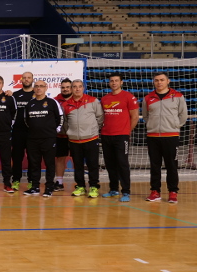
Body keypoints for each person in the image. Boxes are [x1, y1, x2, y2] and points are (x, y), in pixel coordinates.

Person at [143, 72, 187, 203]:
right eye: (156, 80)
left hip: (171, 136)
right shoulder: (148, 98)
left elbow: (183, 115)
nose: (159, 82)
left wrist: (174, 126)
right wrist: (152, 126)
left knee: (171, 165)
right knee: (154, 166)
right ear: (153, 82)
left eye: (162, 80)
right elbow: (145, 116)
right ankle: (155, 191)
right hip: (153, 136)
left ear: (168, 81)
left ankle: (173, 192)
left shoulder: (178, 96)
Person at [100, 73, 139, 202]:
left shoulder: (128, 97)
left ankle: (126, 191)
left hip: (121, 136)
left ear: (121, 82)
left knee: (122, 163)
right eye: (112, 81)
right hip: (106, 135)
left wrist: (126, 132)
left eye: (116, 80)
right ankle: (113, 189)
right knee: (110, 164)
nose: (114, 83)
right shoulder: (104, 99)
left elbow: (135, 117)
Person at [62, 79, 103, 198]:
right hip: (74, 140)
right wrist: (71, 132)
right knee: (78, 165)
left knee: (92, 164)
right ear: (71, 89)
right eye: (74, 87)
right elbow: (65, 122)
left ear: (83, 88)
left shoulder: (93, 101)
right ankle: (80, 186)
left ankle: (94, 186)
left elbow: (100, 117)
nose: (77, 89)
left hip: (91, 138)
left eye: (79, 86)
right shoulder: (66, 104)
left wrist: (93, 130)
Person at [24, 80, 63, 197]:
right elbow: (26, 120)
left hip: (48, 139)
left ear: (46, 88)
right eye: (36, 86)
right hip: (33, 139)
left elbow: (60, 117)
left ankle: (49, 187)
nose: (38, 88)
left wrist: (55, 131)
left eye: (41, 86)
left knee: (49, 164)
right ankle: (35, 187)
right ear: (33, 88)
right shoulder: (30, 104)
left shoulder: (52, 102)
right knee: (34, 164)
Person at [11, 71, 35, 191]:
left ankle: (31, 181)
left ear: (32, 79)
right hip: (18, 131)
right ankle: (16, 180)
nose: (26, 79)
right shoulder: (15, 95)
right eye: (24, 78)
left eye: (29, 77)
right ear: (21, 80)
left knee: (32, 158)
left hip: (32, 132)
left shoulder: (37, 94)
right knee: (17, 158)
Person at [53, 79, 73, 191]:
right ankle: (59, 183)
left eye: (67, 87)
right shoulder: (55, 100)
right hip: (60, 136)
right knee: (60, 158)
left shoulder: (77, 100)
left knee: (78, 159)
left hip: (76, 136)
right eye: (63, 87)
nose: (65, 89)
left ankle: (80, 183)